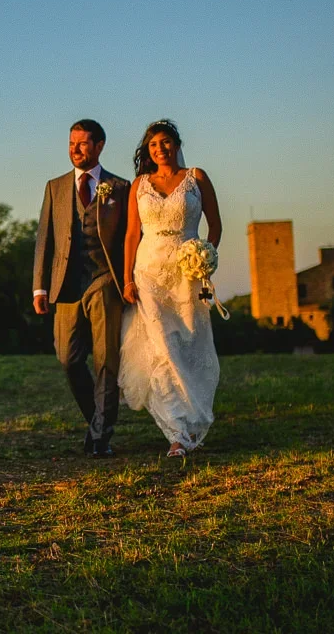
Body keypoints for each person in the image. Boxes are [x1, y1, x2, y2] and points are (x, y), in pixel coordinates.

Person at [118, 119, 223, 456]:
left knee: (189, 344)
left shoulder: (197, 178)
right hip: (148, 272)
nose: (159, 149)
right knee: (161, 346)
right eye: (153, 145)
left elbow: (215, 225)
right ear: (147, 151)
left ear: (176, 144)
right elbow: (132, 234)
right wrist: (127, 277)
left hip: (187, 273)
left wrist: (205, 257)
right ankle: (177, 431)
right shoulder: (140, 185)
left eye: (165, 142)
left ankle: (193, 418)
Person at [32, 119, 132, 457]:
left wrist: (130, 280)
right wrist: (39, 288)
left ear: (100, 146)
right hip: (65, 284)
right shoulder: (55, 187)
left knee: (106, 361)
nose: (75, 149)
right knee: (68, 358)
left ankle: (101, 436)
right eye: (71, 143)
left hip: (105, 280)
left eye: (83, 143)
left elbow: (130, 239)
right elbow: (44, 238)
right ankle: (97, 422)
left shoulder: (119, 187)